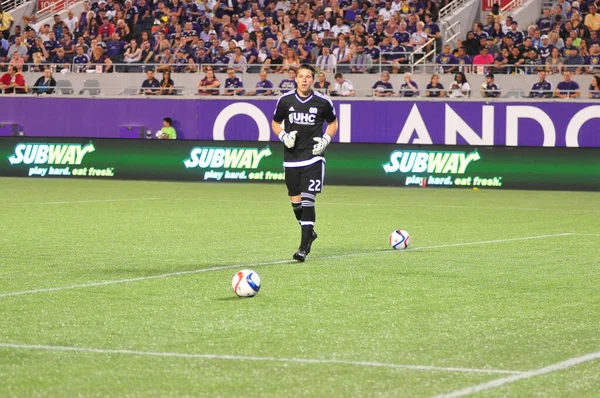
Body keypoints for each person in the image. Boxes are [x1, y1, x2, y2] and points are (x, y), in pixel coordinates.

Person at [271, 64, 338, 262]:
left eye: (308, 76)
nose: (304, 80)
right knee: (296, 202)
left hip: (313, 157)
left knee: (308, 200)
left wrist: (326, 140)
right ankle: (310, 232)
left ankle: (303, 247)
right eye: (301, 76)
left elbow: (333, 122)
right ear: (295, 79)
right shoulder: (285, 100)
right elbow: (275, 122)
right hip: (291, 159)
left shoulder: (323, 102)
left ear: (313, 79)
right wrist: (283, 135)